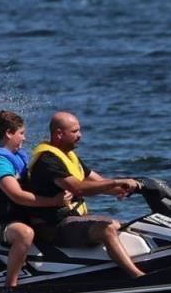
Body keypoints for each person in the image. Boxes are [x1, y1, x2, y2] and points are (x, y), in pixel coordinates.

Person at [22, 111, 147, 280]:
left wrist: (132, 187)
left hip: (71, 220)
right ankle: (138, 277)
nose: (80, 135)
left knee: (125, 225)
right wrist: (117, 182)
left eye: (79, 130)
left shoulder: (69, 156)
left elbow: (99, 183)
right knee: (107, 228)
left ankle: (147, 263)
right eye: (75, 131)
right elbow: (79, 189)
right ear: (59, 133)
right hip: (53, 227)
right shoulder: (47, 161)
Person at [0, 111, 70, 289]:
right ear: (9, 133)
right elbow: (17, 195)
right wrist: (54, 201)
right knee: (25, 233)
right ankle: (11, 286)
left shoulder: (19, 156)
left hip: (20, 215)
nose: (24, 138)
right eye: (21, 133)